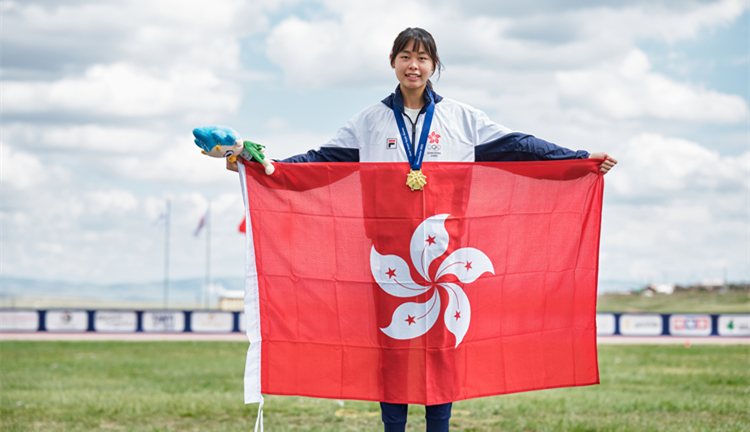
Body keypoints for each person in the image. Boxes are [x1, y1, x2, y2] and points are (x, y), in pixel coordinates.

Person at [225, 27, 617, 432]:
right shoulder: (370, 121)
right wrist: (259, 166)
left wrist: (578, 158)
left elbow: (521, 146)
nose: (414, 65)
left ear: (434, 66)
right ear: (393, 62)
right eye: (406, 57)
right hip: (389, 257)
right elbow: (319, 160)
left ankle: (438, 427)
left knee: (442, 346)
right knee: (391, 346)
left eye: (423, 58)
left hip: (446, 256)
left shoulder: (462, 119)